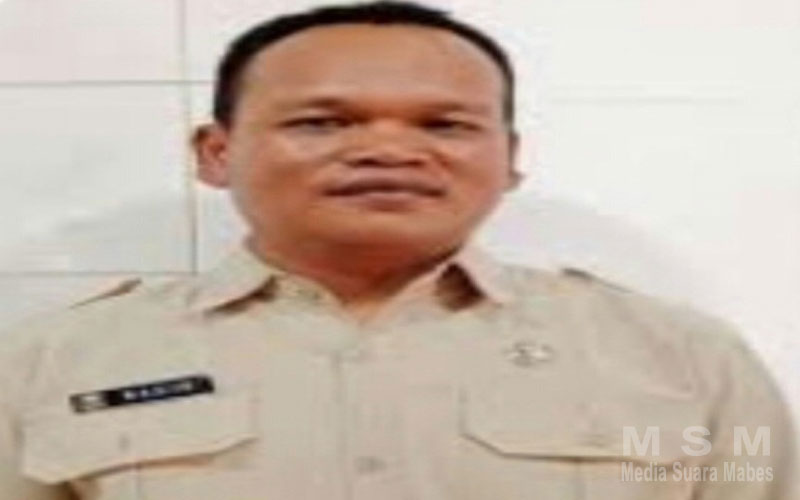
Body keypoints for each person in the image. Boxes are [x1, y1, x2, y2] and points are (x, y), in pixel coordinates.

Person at [0, 2, 795, 499]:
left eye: (445, 124)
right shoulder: (53, 362)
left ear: (510, 157)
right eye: (322, 122)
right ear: (216, 152)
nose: (387, 150)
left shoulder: (683, 359)